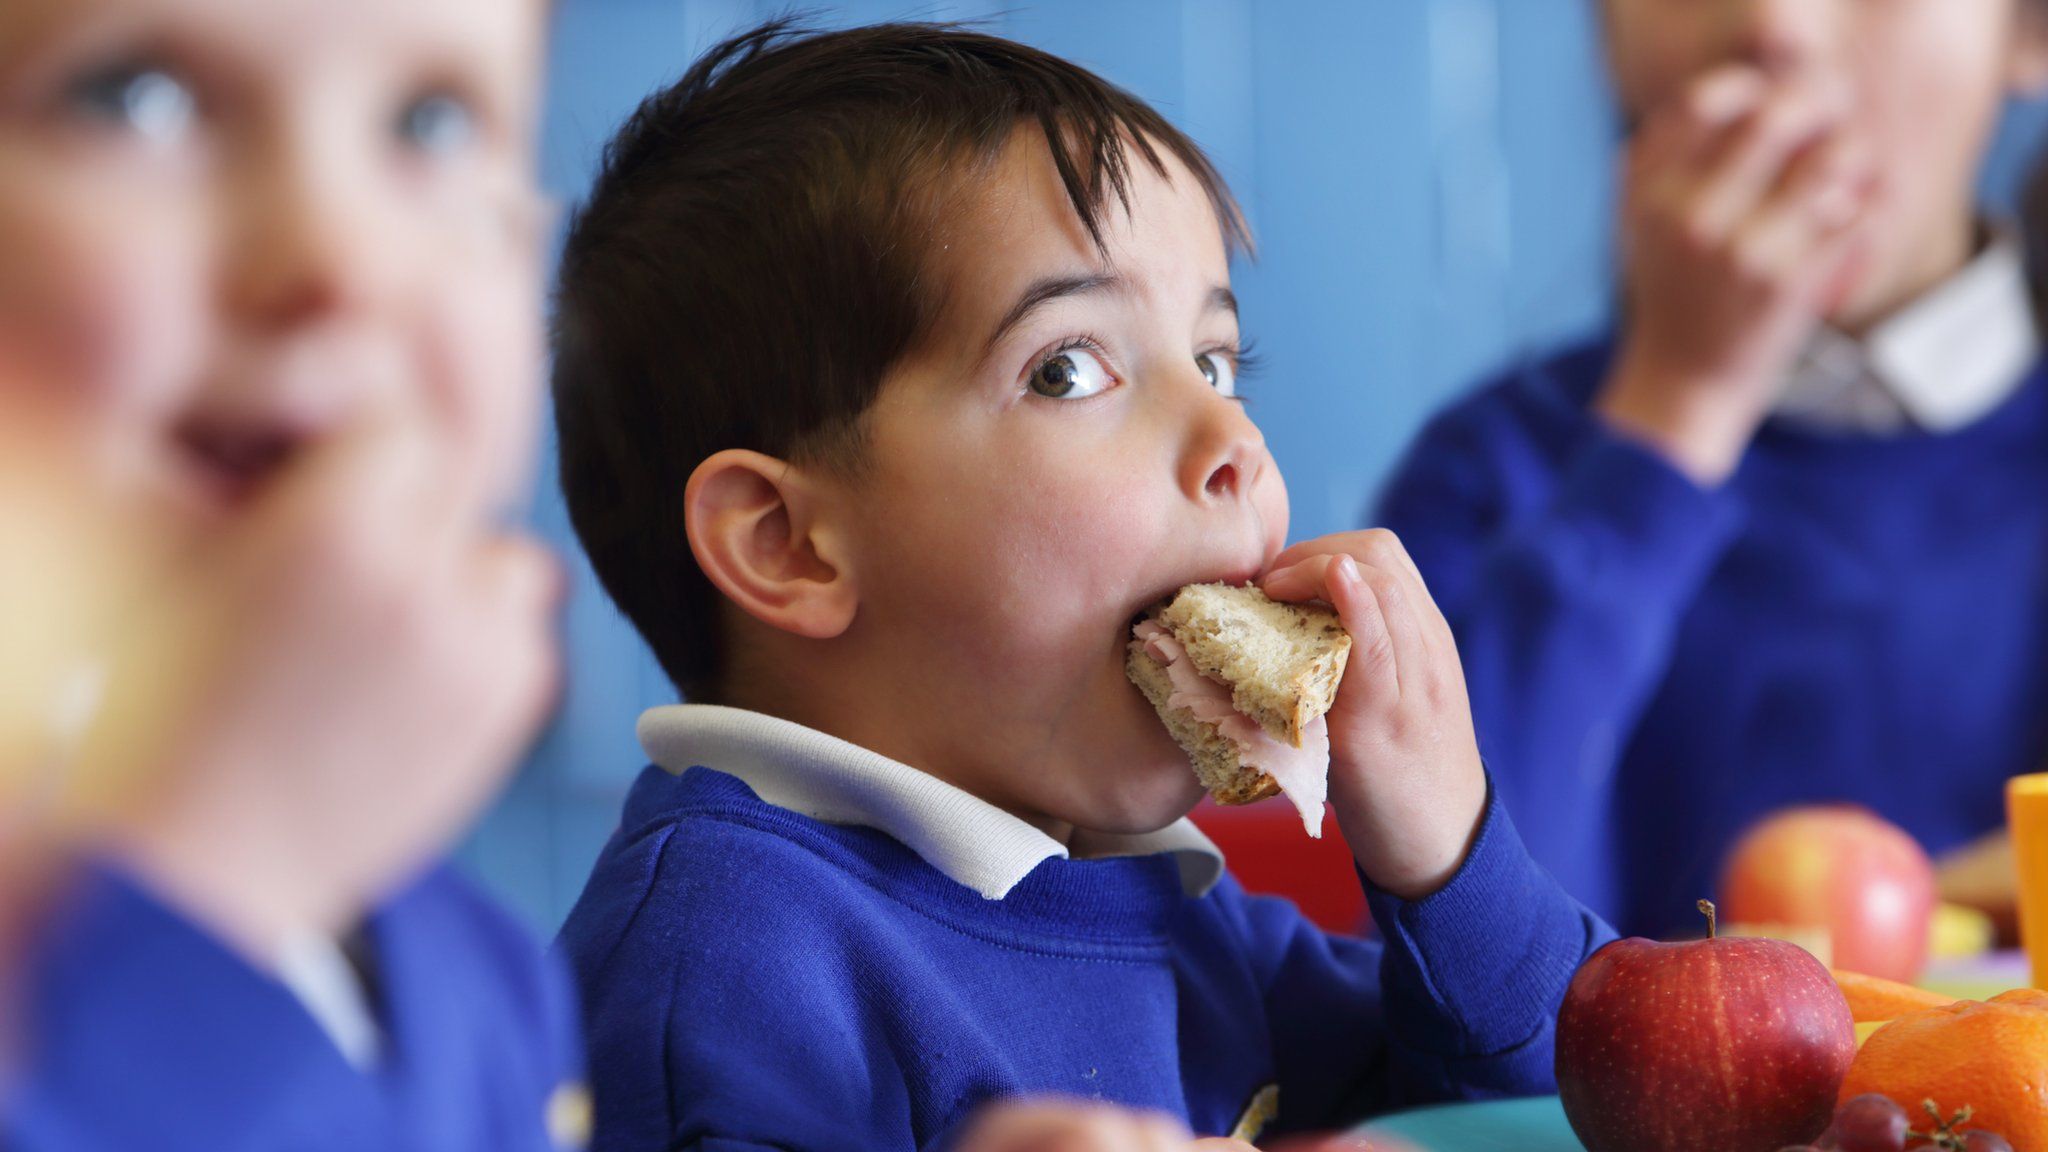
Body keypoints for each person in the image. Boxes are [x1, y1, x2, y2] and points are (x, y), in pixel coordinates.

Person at [551, 20, 1615, 1152]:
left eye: (1215, 363)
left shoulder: (1179, 923)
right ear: (788, 545)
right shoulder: (717, 955)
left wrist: (1445, 852)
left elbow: (1575, 1109)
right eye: (1067, 369)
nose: (1233, 439)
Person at [0, 0, 585, 1145]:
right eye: (136, 98)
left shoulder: (479, 964)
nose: (340, 260)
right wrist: (221, 868)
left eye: (428, 120)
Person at [1374, 0, 2048, 938]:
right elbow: (1454, 972)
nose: (1776, 24)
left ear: (2027, 34)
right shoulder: (1495, 471)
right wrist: (1675, 414)